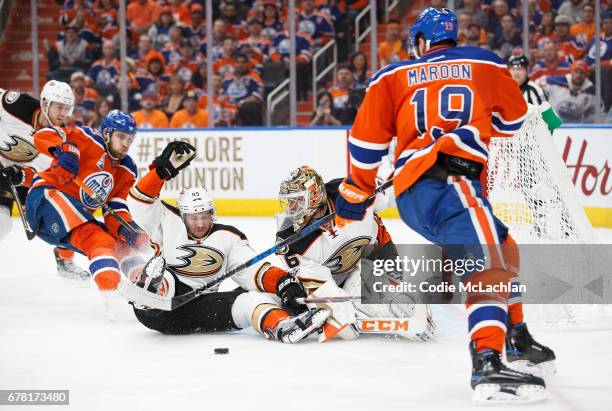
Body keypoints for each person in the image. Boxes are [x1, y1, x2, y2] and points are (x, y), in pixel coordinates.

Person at [334, 8, 554, 404]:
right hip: (453, 182)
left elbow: (364, 142)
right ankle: (487, 360)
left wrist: (356, 190)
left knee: (504, 248)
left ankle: (516, 336)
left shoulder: (392, 75)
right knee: (488, 264)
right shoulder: (484, 63)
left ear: (421, 41)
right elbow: (513, 122)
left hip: (413, 195)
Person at [122, 143, 329, 342]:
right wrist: (159, 172)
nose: (201, 223)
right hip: (158, 309)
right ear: (183, 215)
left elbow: (254, 270)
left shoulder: (228, 238)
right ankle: (147, 295)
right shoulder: (167, 220)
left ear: (213, 213)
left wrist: (284, 283)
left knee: (251, 300)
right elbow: (138, 202)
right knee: (161, 272)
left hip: (202, 309)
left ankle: (284, 327)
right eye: (194, 218)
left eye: (205, 216)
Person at [275, 166, 434, 342]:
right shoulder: (290, 241)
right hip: (339, 279)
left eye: (297, 201)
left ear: (314, 197)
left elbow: (390, 189)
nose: (291, 208)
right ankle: (356, 305)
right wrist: (336, 306)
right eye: (289, 202)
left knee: (396, 296)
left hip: (375, 251)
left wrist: (418, 169)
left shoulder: (349, 192)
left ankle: (372, 301)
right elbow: (318, 282)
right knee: (347, 307)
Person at [25, 107, 148, 310]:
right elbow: (43, 134)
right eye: (121, 136)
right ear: (107, 133)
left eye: (130, 139)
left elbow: (114, 208)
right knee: (98, 240)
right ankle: (112, 297)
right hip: (46, 197)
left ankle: (146, 286)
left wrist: (128, 229)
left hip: (73, 216)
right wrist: (65, 150)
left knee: (120, 245)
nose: (126, 143)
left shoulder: (127, 169)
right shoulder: (87, 138)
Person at [0, 82, 89, 282]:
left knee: (62, 210)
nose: (64, 114)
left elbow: (39, 175)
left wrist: (21, 175)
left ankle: (64, 258)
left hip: (15, 174)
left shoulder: (60, 140)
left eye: (68, 109)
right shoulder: (17, 105)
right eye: (60, 107)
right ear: (44, 103)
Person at [507, 53, 563, 131]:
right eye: (513, 69)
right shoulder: (501, 90)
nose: (516, 73)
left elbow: (552, 122)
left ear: (527, 70)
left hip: (531, 139)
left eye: (520, 69)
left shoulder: (535, 90)